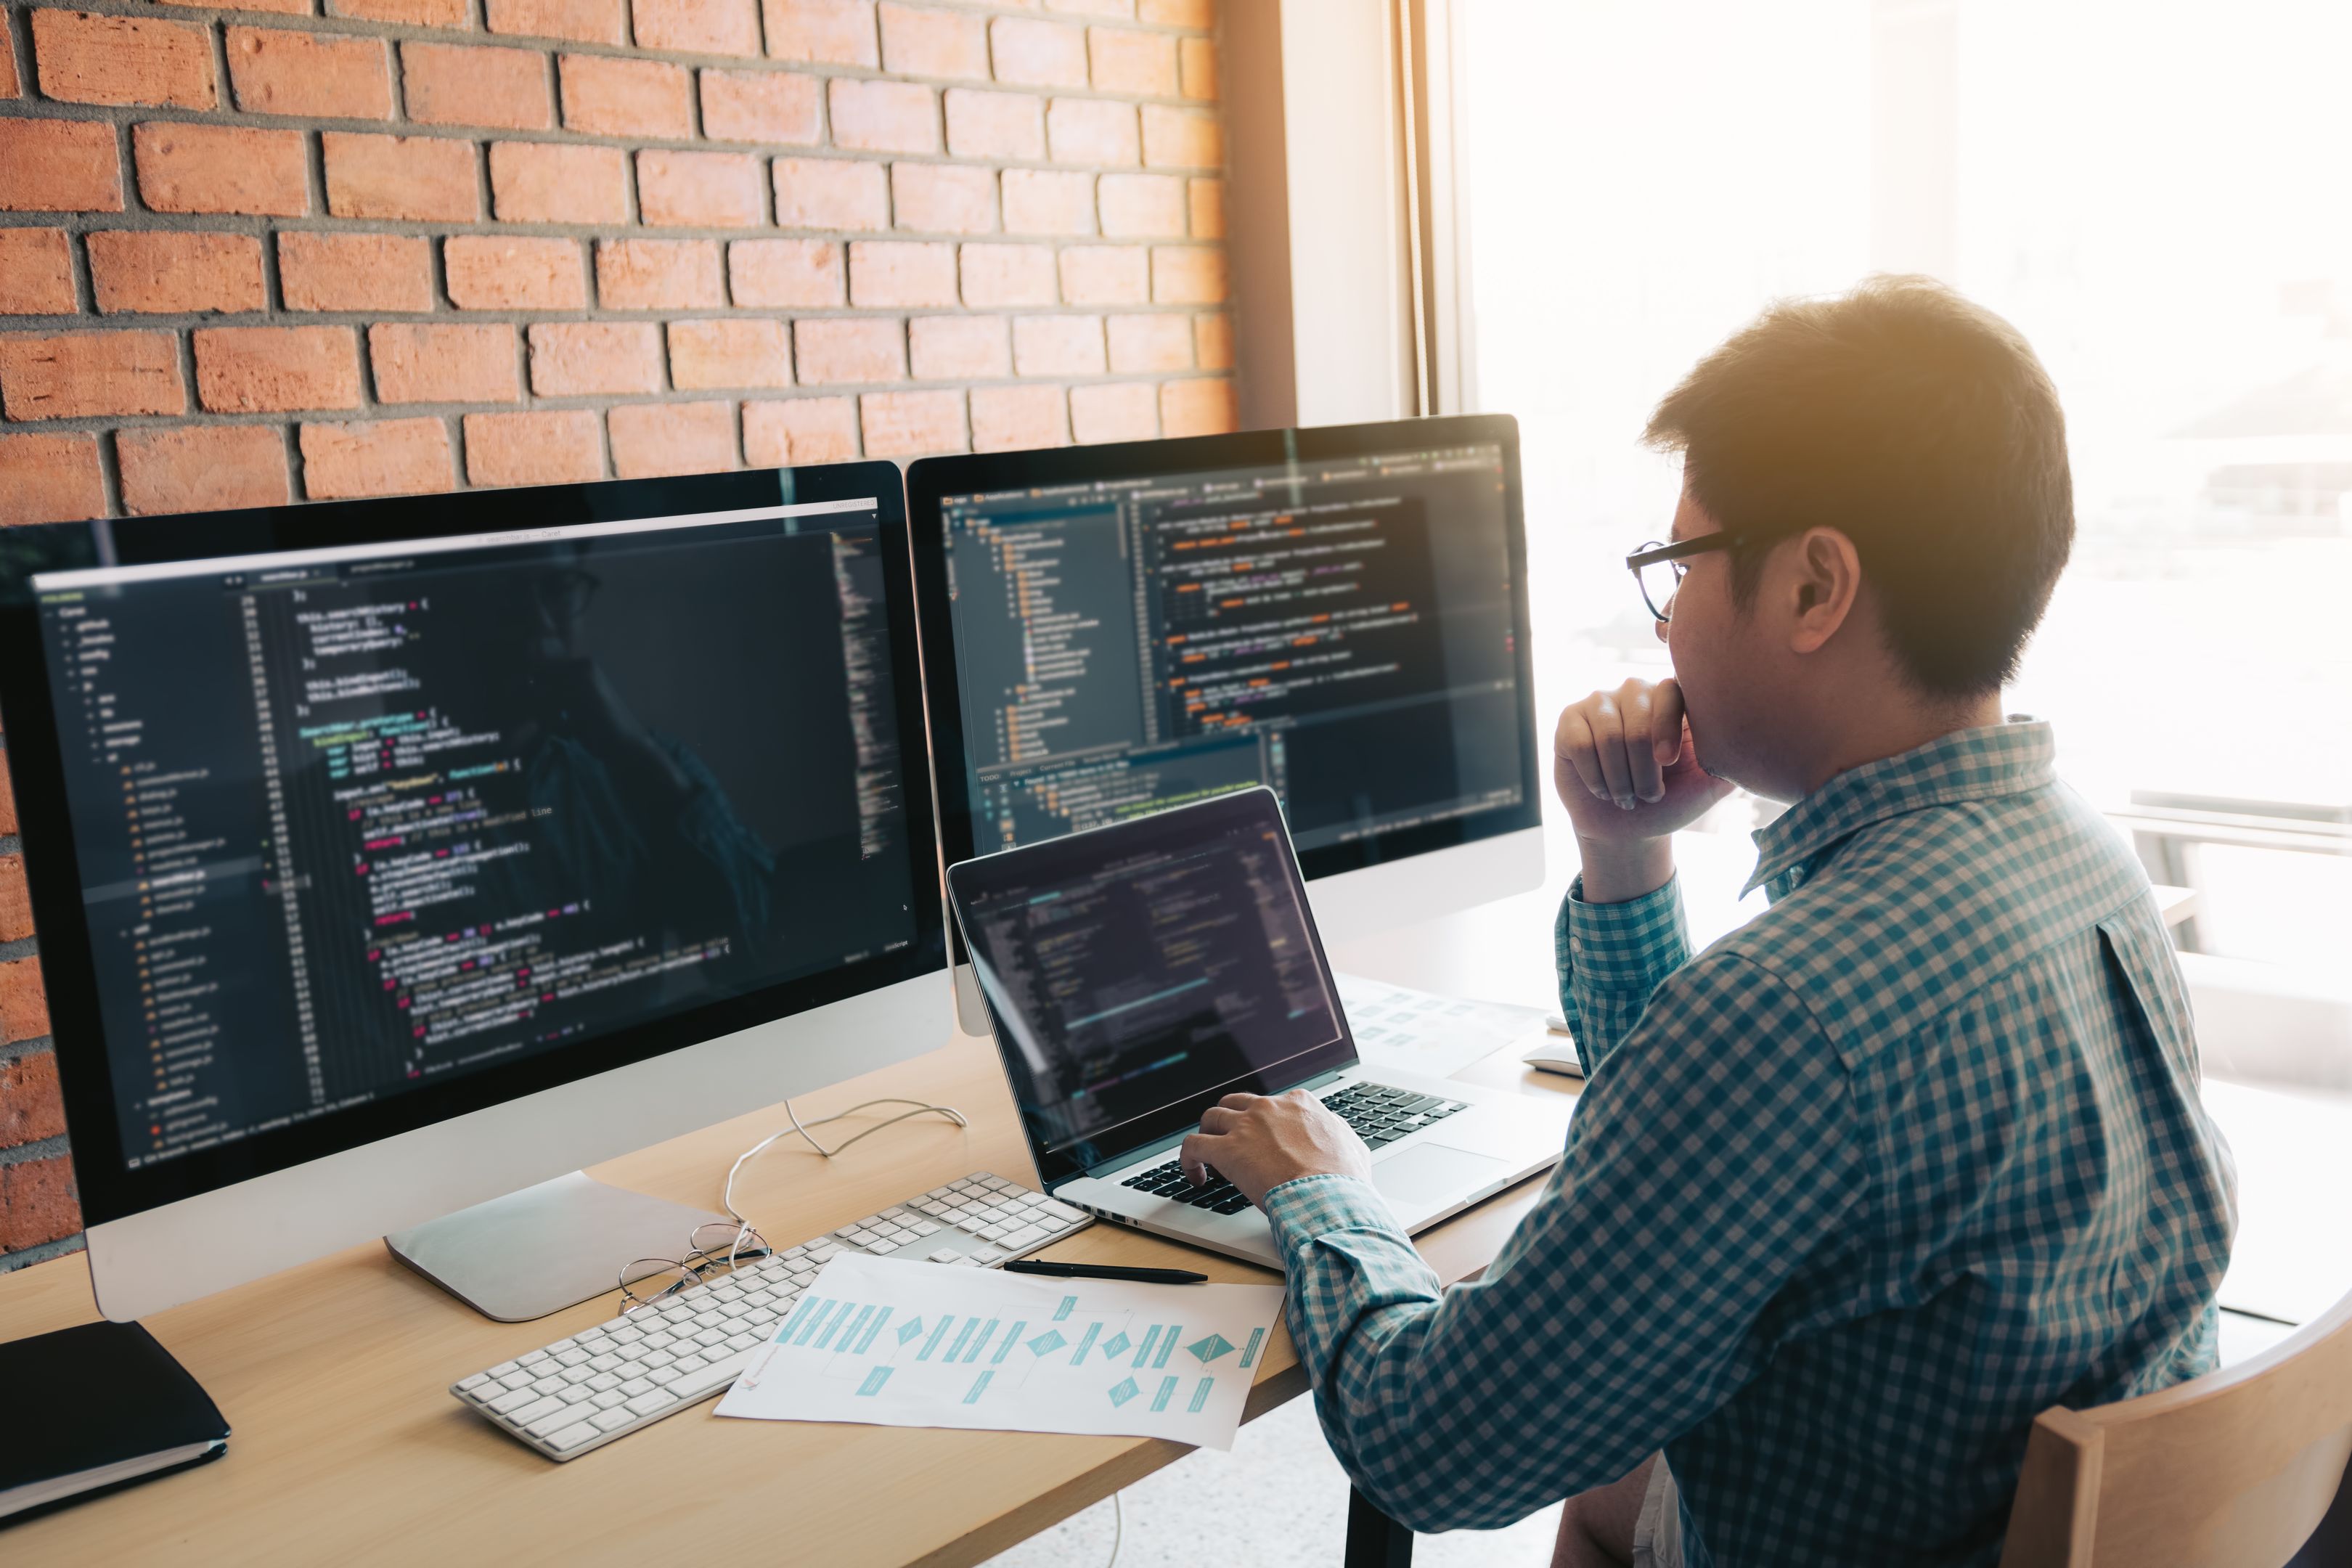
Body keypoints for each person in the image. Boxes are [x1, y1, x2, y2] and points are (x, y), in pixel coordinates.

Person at [1178, 276, 2238, 1567]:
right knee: (1613, 1471)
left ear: (1814, 588)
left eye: (1677, 567)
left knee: (1574, 1458)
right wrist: (1627, 855)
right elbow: (1711, 1188)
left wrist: (1325, 1191)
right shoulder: (2082, 859)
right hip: (1980, 1496)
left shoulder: (1794, 1011)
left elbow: (1431, 1450)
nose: (1666, 624)